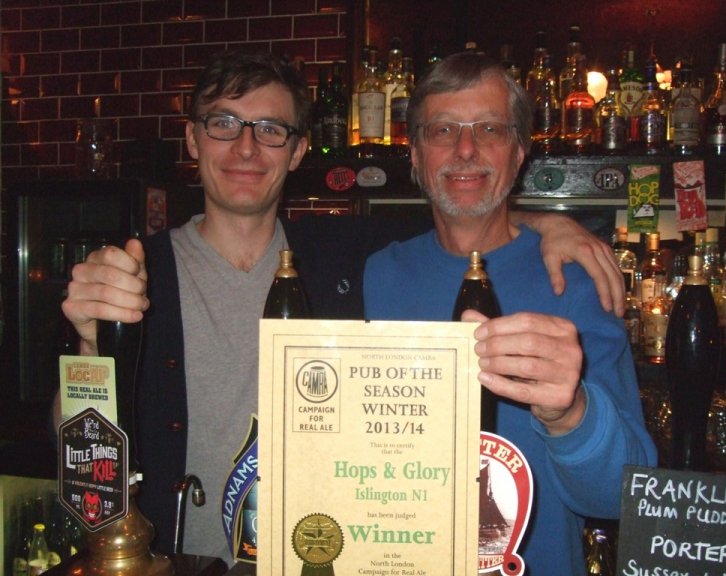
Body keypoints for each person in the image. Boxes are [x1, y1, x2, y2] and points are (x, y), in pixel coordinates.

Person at [60, 50, 628, 565]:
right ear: (192, 140)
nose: (246, 147)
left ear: (299, 149)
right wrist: (91, 346)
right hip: (187, 563)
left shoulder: (345, 258)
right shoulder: (139, 274)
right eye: (224, 123)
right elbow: (81, 464)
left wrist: (551, 224)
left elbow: (466, 212)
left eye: (271, 129)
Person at [363, 52, 657, 575]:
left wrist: (571, 415)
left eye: (491, 129)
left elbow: (623, 495)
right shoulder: (374, 274)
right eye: (443, 129)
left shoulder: (575, 279)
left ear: (519, 153)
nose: (466, 148)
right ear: (413, 154)